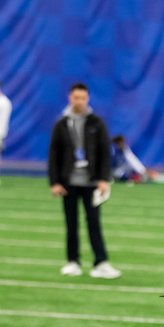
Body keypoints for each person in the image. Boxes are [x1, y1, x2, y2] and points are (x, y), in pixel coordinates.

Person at [48, 82, 120, 278]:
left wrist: (104, 179)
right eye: (75, 97)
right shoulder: (61, 123)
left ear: (87, 99)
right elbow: (54, 153)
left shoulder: (97, 122)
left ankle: (101, 262)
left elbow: (105, 153)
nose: (79, 101)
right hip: (68, 182)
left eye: (82, 98)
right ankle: (72, 261)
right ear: (70, 98)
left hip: (91, 182)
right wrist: (55, 182)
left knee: (94, 223)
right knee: (71, 224)